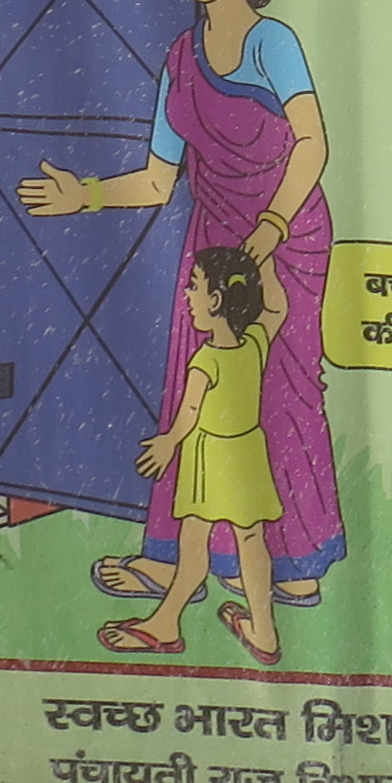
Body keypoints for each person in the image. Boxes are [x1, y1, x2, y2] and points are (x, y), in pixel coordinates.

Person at [16, 0, 344, 613]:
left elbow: (313, 144)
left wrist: (268, 229)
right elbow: (159, 180)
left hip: (285, 236)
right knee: (192, 395)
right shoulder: (178, 58)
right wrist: (86, 195)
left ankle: (295, 560)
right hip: (211, 241)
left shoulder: (273, 44)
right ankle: (178, 562)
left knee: (279, 394)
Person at [99, 246, 287, 664]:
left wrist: (168, 443)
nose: (186, 294)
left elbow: (189, 412)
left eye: (195, 287)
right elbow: (276, 309)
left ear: (216, 302)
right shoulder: (254, 341)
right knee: (252, 541)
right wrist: (268, 264)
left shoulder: (205, 360)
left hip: (210, 459)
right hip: (247, 453)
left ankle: (165, 625)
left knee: (194, 544)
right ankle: (264, 632)